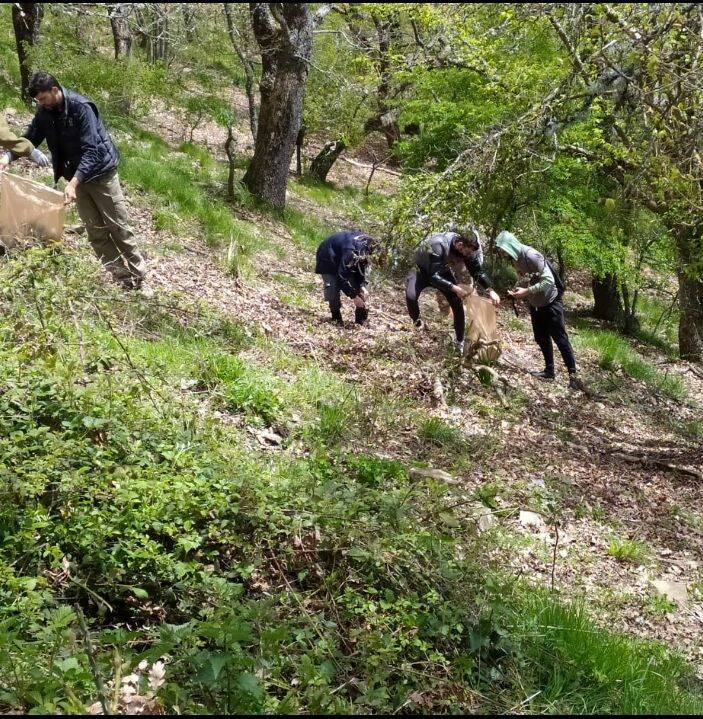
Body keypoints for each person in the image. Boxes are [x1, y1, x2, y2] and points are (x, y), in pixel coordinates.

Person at [17, 72, 147, 291]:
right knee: (96, 233)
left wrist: (73, 183)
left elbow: (91, 150)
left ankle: (141, 278)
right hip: (77, 179)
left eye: (43, 99)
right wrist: (7, 157)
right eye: (38, 101)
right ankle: (124, 281)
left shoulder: (81, 107)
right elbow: (30, 139)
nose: (41, 104)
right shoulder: (45, 113)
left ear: (55, 91)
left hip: (101, 175)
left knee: (119, 228)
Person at [495, 230, 581, 389]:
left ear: (511, 245)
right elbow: (526, 278)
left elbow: (548, 280)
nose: (502, 253)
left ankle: (573, 376)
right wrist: (517, 292)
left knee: (560, 338)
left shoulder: (531, 255)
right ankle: (549, 371)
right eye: (501, 250)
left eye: (503, 249)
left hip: (550, 302)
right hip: (535, 304)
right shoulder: (514, 259)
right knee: (541, 337)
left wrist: (526, 292)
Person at [406, 228, 500, 354]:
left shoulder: (466, 249)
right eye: (467, 252)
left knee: (457, 303)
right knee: (411, 296)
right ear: (460, 245)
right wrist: (455, 287)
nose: (467, 255)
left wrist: (490, 289)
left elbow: (477, 271)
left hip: (441, 271)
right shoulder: (438, 244)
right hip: (421, 270)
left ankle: (459, 342)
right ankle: (417, 324)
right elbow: (432, 277)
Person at [315, 230, 376, 326]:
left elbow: (359, 270)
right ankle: (336, 317)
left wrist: (361, 286)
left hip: (342, 254)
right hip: (327, 255)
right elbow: (341, 277)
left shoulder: (364, 247)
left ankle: (360, 320)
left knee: (359, 287)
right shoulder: (351, 251)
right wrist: (354, 296)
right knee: (332, 287)